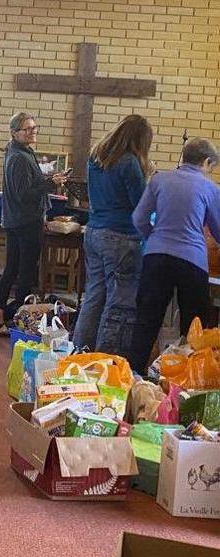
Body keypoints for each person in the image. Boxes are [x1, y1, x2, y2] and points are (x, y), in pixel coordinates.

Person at [125, 138, 220, 374]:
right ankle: (186, 380)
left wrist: (154, 238)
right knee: (193, 325)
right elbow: (218, 229)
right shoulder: (210, 188)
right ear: (207, 161)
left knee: (146, 320)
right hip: (193, 261)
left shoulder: (159, 180)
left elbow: (138, 218)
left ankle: (133, 376)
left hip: (156, 257)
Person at [72, 115, 153, 353]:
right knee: (117, 301)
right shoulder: (129, 162)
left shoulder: (96, 157)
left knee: (94, 296)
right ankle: (105, 357)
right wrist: (147, 177)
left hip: (94, 231)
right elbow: (141, 204)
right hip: (121, 236)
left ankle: (80, 351)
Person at [0, 112, 68, 334]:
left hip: (18, 219)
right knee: (24, 272)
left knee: (13, 269)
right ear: (14, 132)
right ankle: (19, 324)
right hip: (25, 221)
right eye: (28, 129)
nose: (33, 132)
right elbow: (25, 194)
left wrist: (47, 181)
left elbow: (27, 186)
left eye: (35, 128)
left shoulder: (21, 152)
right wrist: (50, 184)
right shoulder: (18, 157)